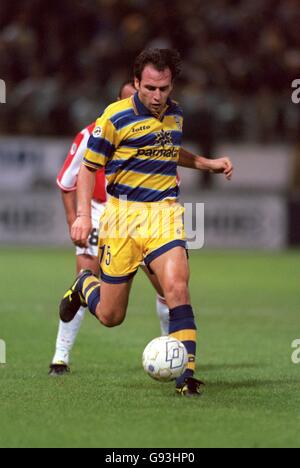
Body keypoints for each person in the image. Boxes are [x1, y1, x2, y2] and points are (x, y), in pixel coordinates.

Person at [59, 49, 233, 396]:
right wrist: (81, 215)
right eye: (150, 88)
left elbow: (170, 150)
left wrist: (207, 163)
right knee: (110, 316)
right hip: (122, 218)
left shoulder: (176, 114)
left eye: (164, 88)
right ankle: (83, 286)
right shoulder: (114, 118)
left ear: (172, 86)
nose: (157, 96)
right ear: (136, 82)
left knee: (177, 289)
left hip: (164, 214)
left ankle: (187, 375)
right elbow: (88, 168)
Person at [49, 82, 170, 376]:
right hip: (101, 212)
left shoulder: (157, 131)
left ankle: (171, 349)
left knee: (167, 287)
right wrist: (75, 219)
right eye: (130, 99)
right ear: (117, 101)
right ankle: (60, 357)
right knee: (86, 275)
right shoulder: (93, 133)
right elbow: (67, 181)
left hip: (143, 214)